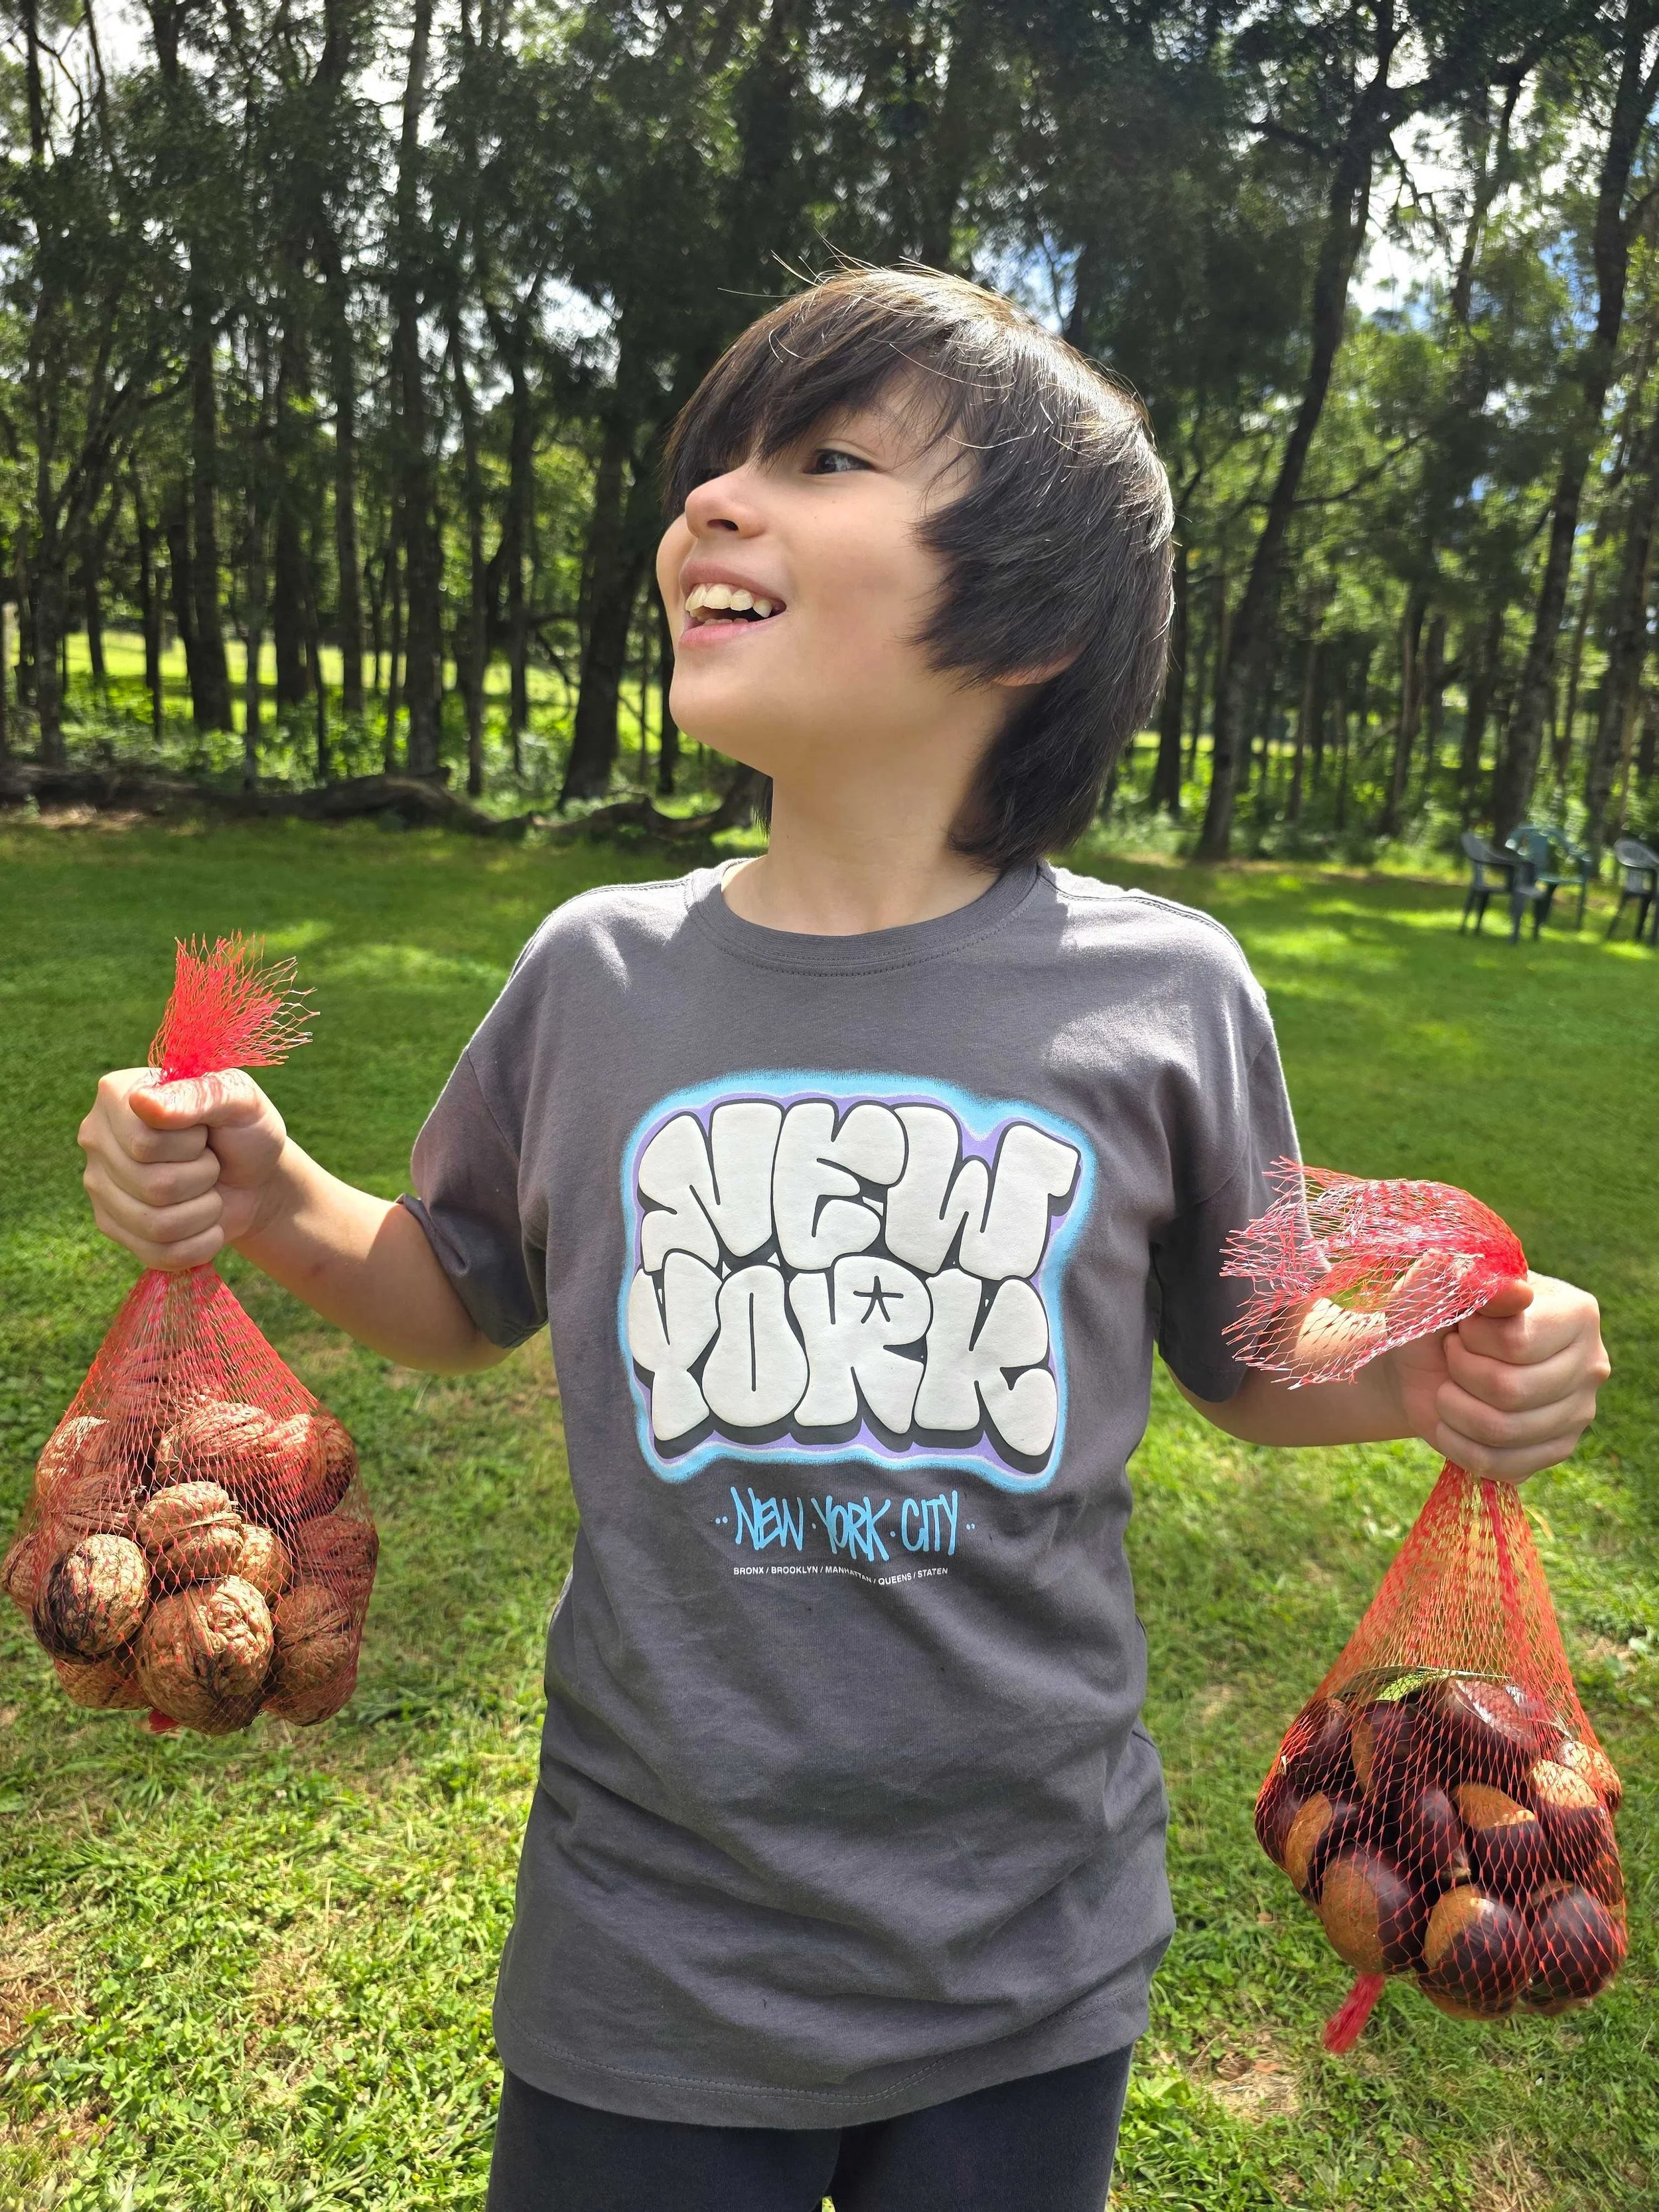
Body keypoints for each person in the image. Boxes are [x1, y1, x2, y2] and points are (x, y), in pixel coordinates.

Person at [77, 267, 1610, 2212]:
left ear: (1035, 619)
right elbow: (460, 1288)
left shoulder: (1164, 993)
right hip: (654, 1941)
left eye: (819, 458)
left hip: (1020, 1953)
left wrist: (1448, 1370)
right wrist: (273, 1196)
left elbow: (1250, 1360)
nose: (711, 501)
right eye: (706, 463)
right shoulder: (601, 973)